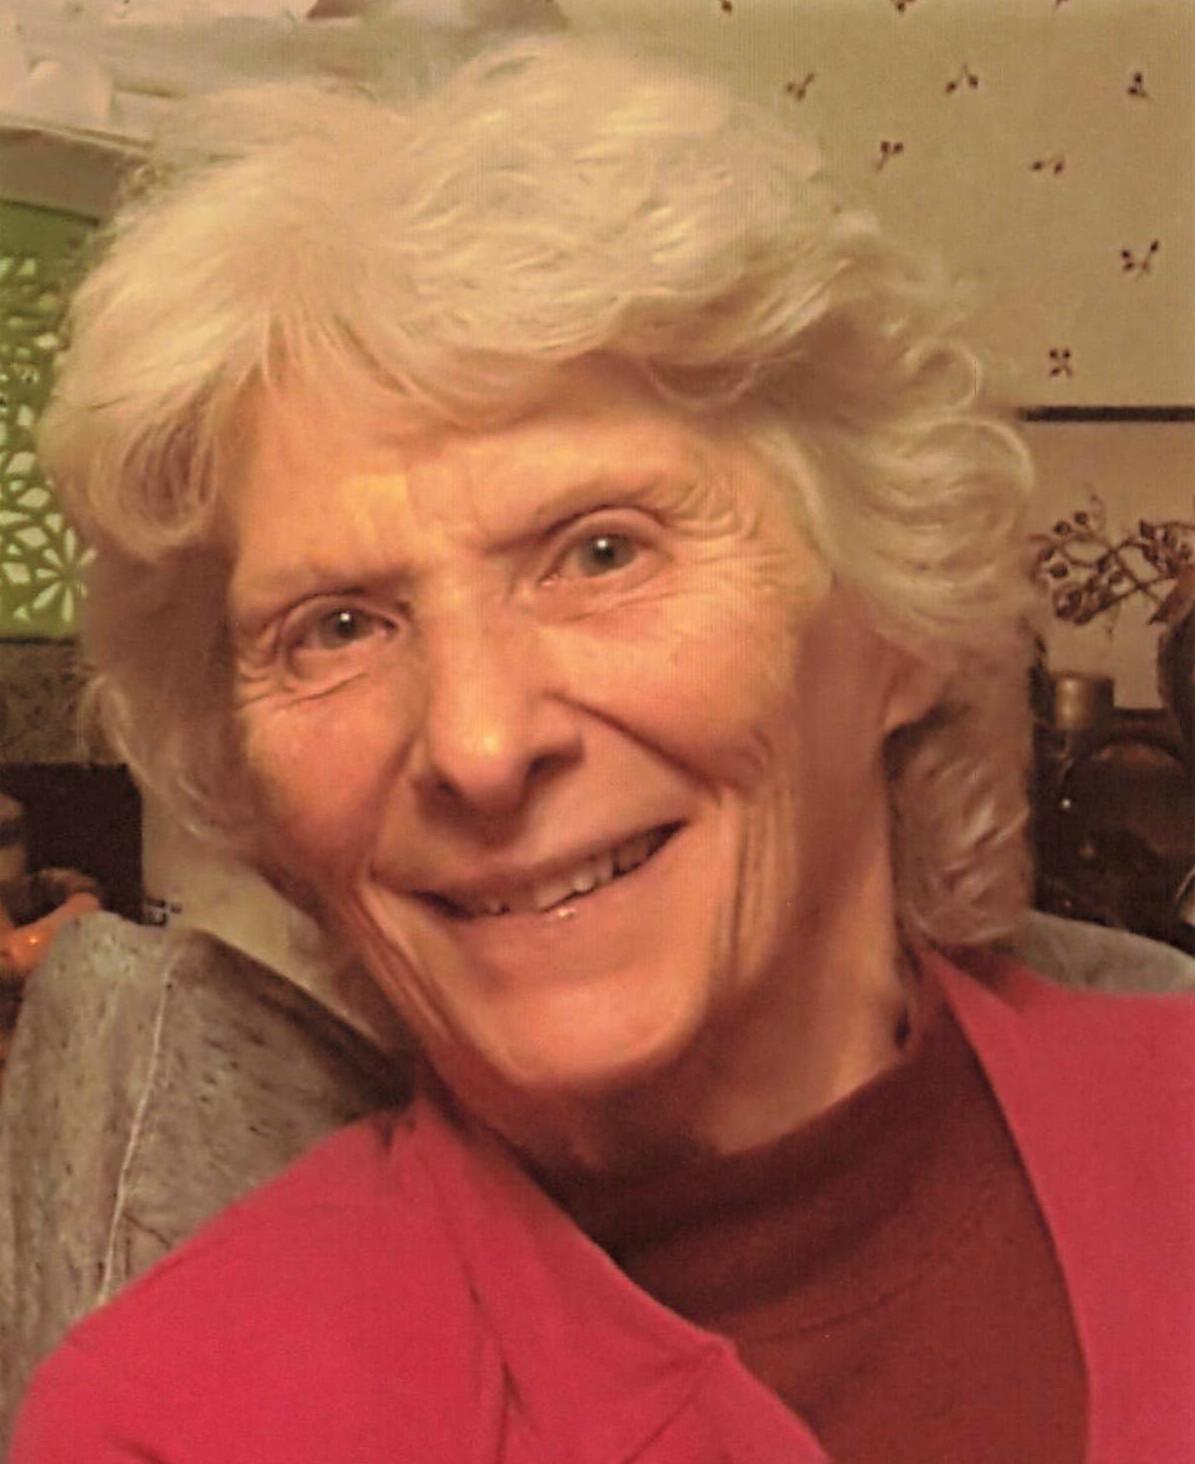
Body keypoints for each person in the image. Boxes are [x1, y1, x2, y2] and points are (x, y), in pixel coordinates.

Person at [9, 36, 1192, 1463]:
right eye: (337, 628)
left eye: (602, 551)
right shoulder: (180, 1426)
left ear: (899, 614)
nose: (478, 742)